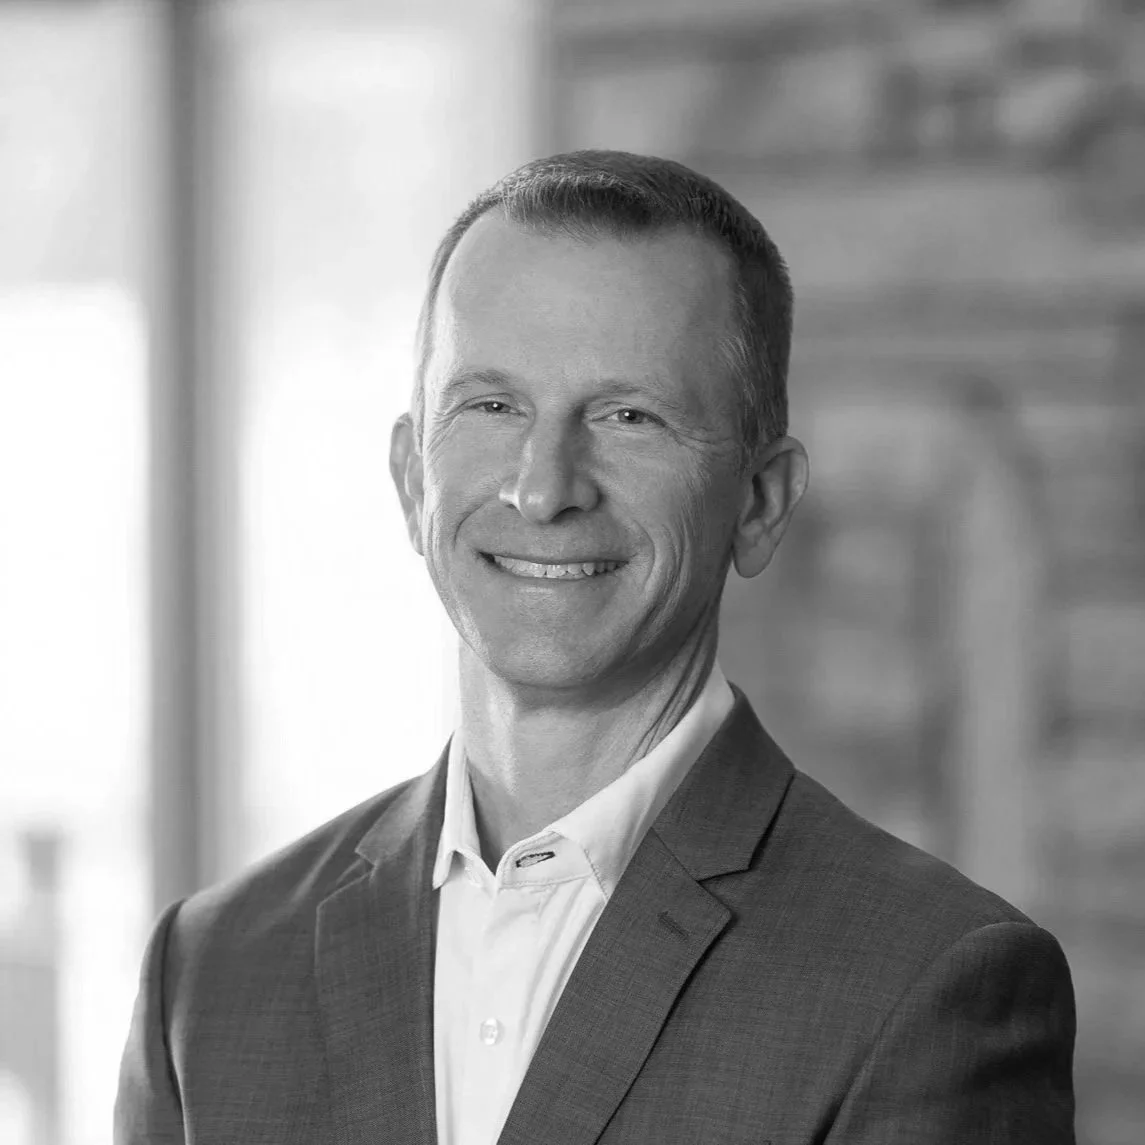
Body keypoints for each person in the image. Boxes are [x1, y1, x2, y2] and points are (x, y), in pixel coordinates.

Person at [115, 150, 1076, 1144]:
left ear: (758, 503)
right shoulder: (211, 975)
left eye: (628, 416)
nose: (543, 486)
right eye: (492, 406)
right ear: (411, 476)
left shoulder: (927, 983)